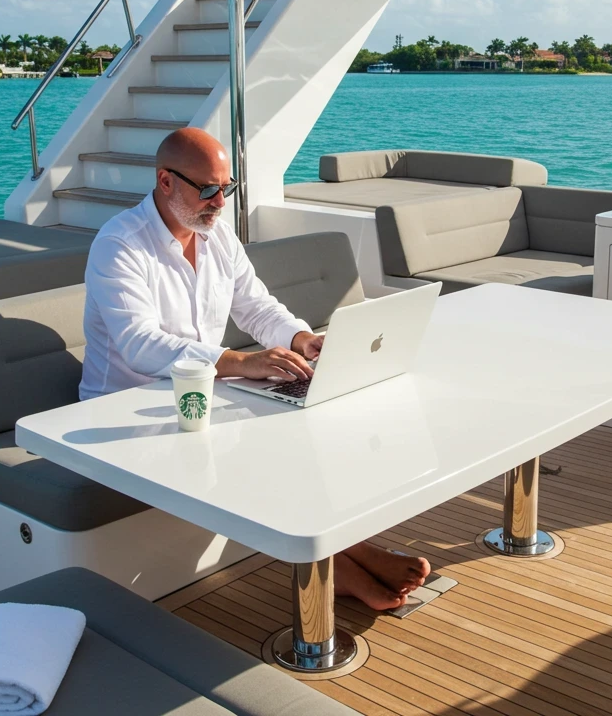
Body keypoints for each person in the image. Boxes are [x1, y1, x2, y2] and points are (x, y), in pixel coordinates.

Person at [79, 128, 429, 610]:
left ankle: (342, 549)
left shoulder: (215, 233)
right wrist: (240, 362)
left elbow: (255, 306)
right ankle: (338, 567)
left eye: (228, 187)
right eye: (207, 189)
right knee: (264, 451)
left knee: (306, 421)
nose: (220, 201)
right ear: (164, 182)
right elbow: (140, 345)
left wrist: (301, 339)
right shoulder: (119, 245)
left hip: (198, 396)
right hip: (124, 412)